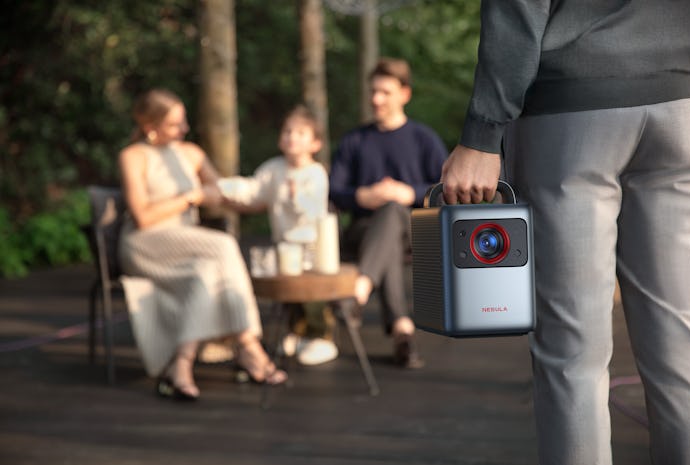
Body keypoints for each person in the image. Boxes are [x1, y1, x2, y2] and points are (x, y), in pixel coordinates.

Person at [440, 2, 690, 464]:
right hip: (683, 107)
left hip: (571, 114)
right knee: (682, 345)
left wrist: (482, 133)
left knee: (572, 353)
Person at [117, 88, 287, 401]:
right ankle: (248, 344)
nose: (183, 130)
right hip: (146, 244)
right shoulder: (133, 157)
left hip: (189, 245)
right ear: (149, 127)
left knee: (207, 272)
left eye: (183, 123)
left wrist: (273, 193)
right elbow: (142, 216)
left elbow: (224, 192)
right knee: (223, 245)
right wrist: (190, 198)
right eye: (174, 125)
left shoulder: (191, 153)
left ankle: (181, 363)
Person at [329, 57, 448, 368]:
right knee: (387, 234)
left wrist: (410, 193)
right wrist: (361, 195)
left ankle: (359, 291)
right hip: (363, 231)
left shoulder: (423, 139)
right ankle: (402, 331)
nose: (375, 99)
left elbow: (447, 189)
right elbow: (332, 191)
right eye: (372, 92)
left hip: (414, 231)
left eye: (384, 92)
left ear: (404, 94)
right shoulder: (355, 140)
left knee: (395, 210)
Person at [221, 104, 339, 366]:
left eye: (300, 133)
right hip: (284, 243)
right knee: (289, 291)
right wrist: (226, 187)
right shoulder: (274, 168)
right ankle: (296, 332)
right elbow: (254, 190)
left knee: (311, 292)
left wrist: (297, 197)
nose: (291, 137)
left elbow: (311, 207)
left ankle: (321, 336)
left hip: (311, 244)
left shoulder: (315, 173)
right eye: (287, 131)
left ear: (315, 143)